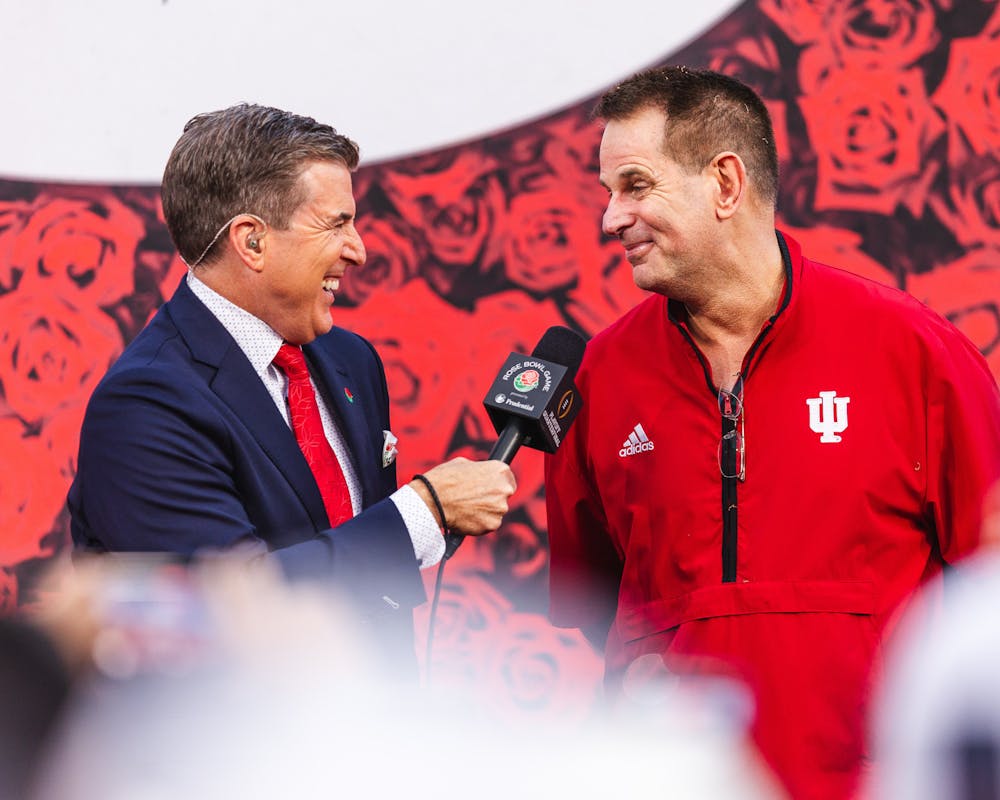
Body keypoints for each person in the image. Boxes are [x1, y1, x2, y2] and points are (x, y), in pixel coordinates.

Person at [543, 66, 1000, 799]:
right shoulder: (599, 376)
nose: (610, 218)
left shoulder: (916, 352)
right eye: (608, 194)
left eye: (635, 185)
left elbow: (990, 591)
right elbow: (597, 603)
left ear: (726, 183)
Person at [68, 103, 516, 675]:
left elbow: (360, 569)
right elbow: (224, 612)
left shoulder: (351, 360)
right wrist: (423, 513)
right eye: (336, 223)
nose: (359, 248)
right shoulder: (144, 405)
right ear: (251, 243)